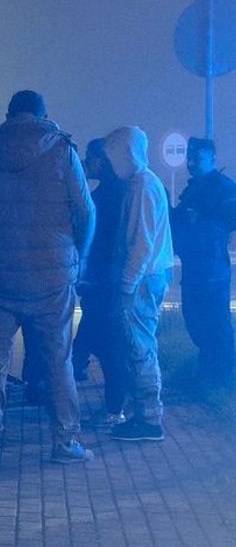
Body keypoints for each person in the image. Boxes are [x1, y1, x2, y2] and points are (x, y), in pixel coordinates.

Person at [0, 90, 95, 463]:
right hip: (52, 279)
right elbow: (85, 212)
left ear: (8, 114)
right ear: (43, 114)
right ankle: (65, 441)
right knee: (58, 359)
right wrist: (76, 259)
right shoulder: (62, 151)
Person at [104, 126, 174, 442]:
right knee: (139, 347)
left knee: (140, 349)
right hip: (147, 278)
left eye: (114, 155)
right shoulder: (142, 183)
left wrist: (127, 284)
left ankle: (149, 419)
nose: (111, 162)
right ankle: (142, 415)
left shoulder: (143, 185)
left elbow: (141, 243)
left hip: (143, 281)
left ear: (127, 153)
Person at [170, 137, 236, 388]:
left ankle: (221, 377)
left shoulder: (223, 187)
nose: (191, 162)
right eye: (190, 157)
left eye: (197, 158)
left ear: (213, 159)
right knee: (195, 318)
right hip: (194, 266)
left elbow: (231, 217)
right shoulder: (192, 189)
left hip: (212, 267)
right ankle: (207, 372)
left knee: (216, 322)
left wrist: (204, 218)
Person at [74, 138, 128, 423]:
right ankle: (114, 404)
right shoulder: (113, 192)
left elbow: (94, 237)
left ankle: (115, 407)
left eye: (90, 158)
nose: (86, 162)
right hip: (102, 281)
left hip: (103, 281)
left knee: (108, 346)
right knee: (94, 339)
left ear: (103, 161)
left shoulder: (108, 195)